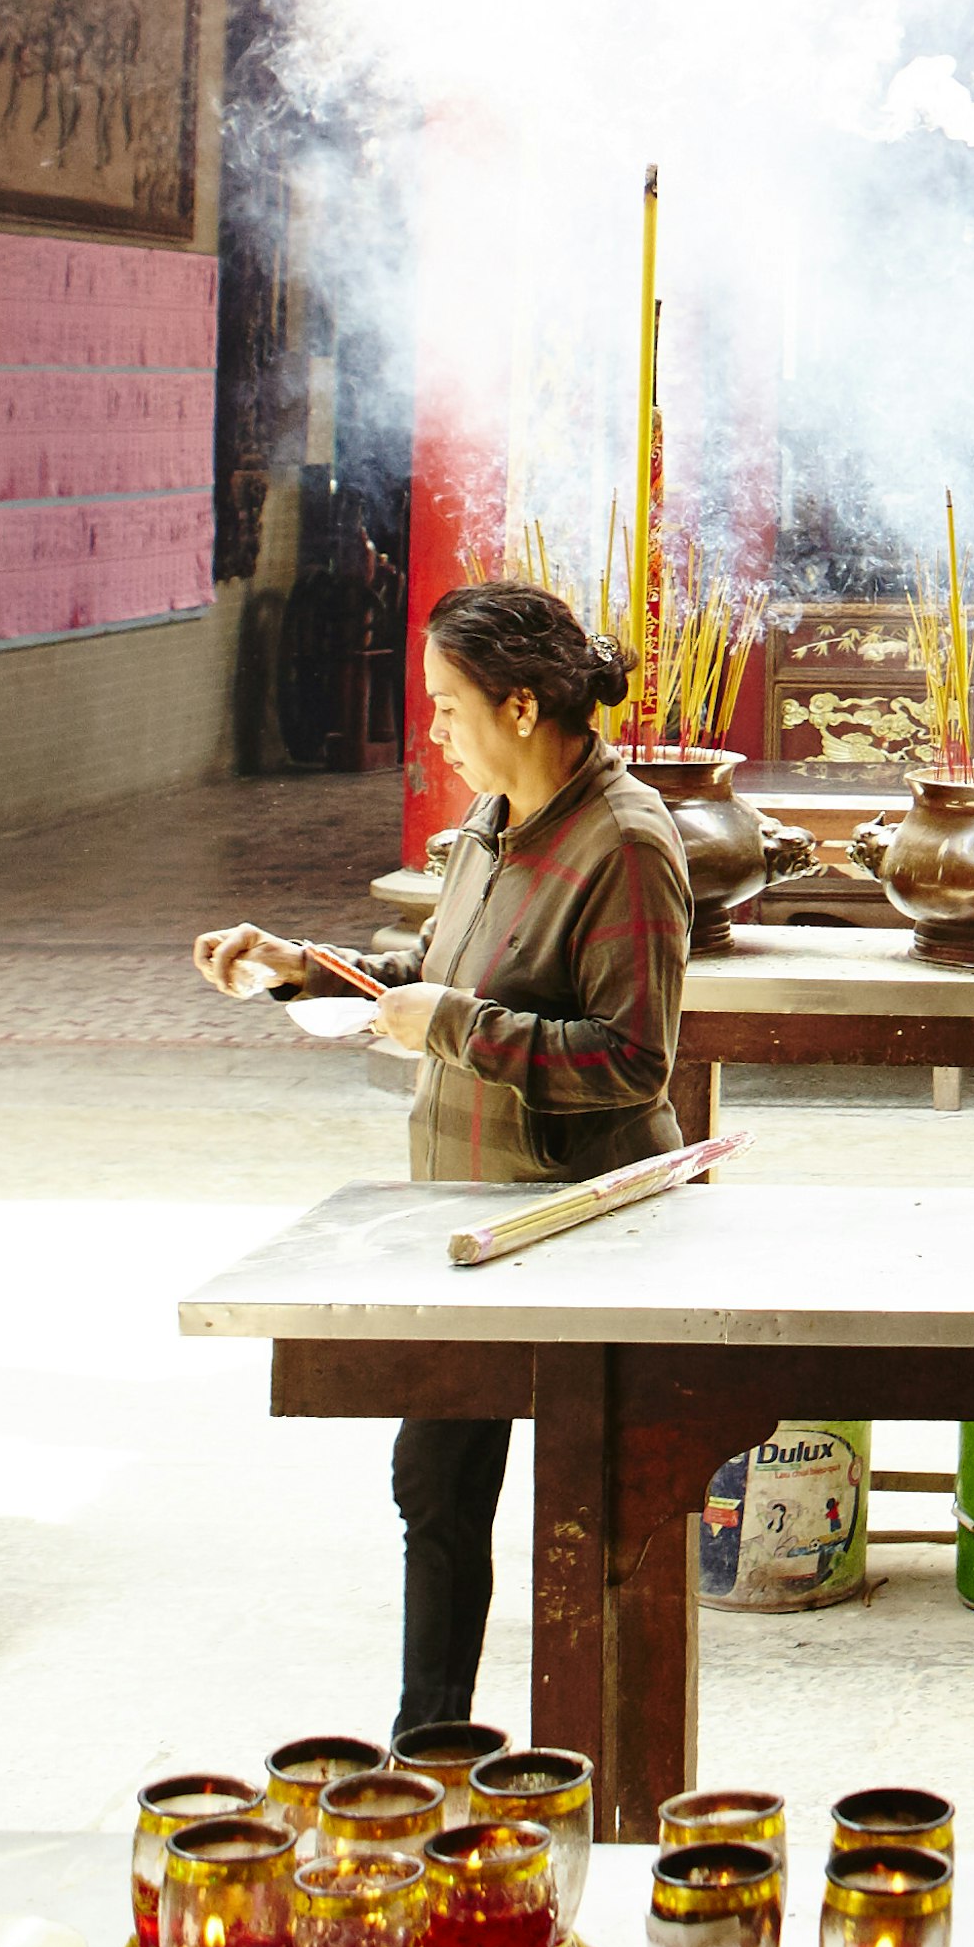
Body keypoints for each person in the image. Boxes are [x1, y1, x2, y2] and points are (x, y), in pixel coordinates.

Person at [195, 578, 689, 1736]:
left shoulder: (624, 844)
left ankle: (571, 1759)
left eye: (448, 708)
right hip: (466, 1215)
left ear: (522, 707)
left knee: (582, 1507)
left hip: (575, 1225)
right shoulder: (491, 823)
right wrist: (301, 968)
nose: (435, 732)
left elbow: (633, 1063)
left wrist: (455, 1026)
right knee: (438, 1484)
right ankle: (431, 1753)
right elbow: (430, 963)